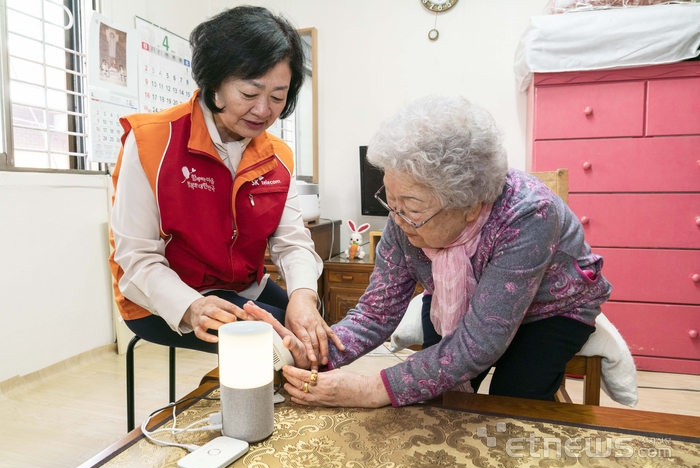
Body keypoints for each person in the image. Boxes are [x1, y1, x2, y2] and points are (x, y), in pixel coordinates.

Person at [254, 95, 612, 407]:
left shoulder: (531, 214)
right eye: (390, 200)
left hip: (549, 308)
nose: (396, 217)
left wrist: (372, 388)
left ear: (470, 206)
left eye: (410, 206)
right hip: (457, 299)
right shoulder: (403, 217)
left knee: (512, 399)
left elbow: (479, 344)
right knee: (435, 395)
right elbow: (376, 313)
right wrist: (315, 354)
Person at [109, 6, 342, 369]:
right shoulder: (152, 141)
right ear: (214, 82)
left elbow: (292, 242)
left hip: (243, 288)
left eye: (278, 97)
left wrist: (303, 296)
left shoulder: (277, 156)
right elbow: (136, 259)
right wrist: (191, 307)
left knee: (313, 337)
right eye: (250, 94)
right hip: (166, 296)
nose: (263, 111)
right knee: (281, 351)